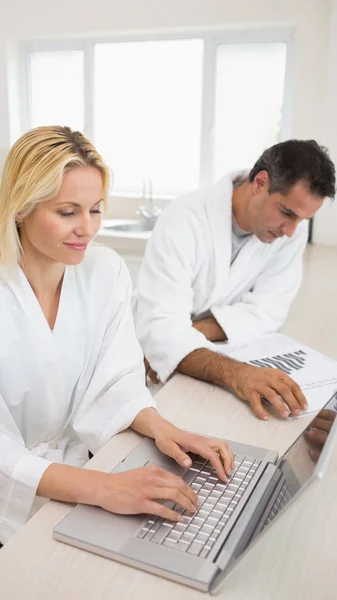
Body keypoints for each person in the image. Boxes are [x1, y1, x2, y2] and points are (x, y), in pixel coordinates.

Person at [0, 126, 234, 546]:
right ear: (21, 208)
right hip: (14, 495)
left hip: (81, 472)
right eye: (67, 212)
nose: (87, 229)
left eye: (96, 209)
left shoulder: (105, 272)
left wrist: (161, 427)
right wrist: (106, 489)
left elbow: (117, 377)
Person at [134, 140, 336, 421]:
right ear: (260, 182)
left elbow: (269, 311)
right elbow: (161, 327)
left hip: (212, 357)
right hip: (155, 370)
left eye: (302, 220)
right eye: (287, 212)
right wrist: (237, 374)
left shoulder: (290, 232)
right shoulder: (185, 218)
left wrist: (187, 334)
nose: (290, 231)